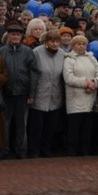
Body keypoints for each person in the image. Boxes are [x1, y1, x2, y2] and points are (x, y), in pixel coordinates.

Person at [0, 23, 36, 159]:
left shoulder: (28, 52)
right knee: (5, 124)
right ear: (8, 35)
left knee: (21, 124)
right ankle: (4, 149)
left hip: (23, 93)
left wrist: (32, 94)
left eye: (18, 34)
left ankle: (21, 150)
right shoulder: (1, 51)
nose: (15, 37)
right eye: (12, 34)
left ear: (21, 36)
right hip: (6, 93)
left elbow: (34, 74)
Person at [28, 28, 66, 158]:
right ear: (46, 41)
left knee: (51, 126)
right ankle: (34, 150)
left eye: (57, 41)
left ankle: (46, 149)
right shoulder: (36, 52)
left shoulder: (63, 54)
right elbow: (32, 74)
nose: (55, 44)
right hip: (39, 95)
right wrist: (31, 94)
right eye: (52, 41)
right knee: (36, 127)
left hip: (55, 96)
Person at [62, 35, 98, 156]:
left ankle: (85, 150)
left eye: (83, 44)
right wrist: (86, 83)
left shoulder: (91, 58)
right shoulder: (69, 59)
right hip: (75, 97)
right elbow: (69, 78)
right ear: (73, 46)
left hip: (90, 95)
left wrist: (94, 83)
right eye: (78, 44)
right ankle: (72, 150)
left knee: (87, 127)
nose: (81, 46)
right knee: (74, 126)